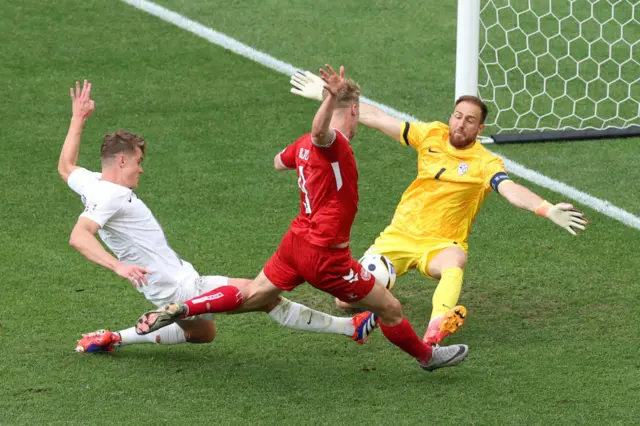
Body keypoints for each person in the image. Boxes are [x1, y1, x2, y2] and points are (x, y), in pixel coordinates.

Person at [134, 65, 469, 372]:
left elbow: (280, 161)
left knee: (254, 296)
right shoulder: (332, 142)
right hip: (327, 256)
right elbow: (320, 133)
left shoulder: (303, 146)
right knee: (390, 308)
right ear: (352, 110)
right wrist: (329, 103)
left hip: (296, 242)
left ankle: (183, 309)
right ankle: (427, 357)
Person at [58, 80, 378, 353]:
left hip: (171, 280)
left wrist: (78, 118)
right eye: (139, 161)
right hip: (175, 287)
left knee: (202, 334)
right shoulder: (108, 196)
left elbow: (66, 167)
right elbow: (79, 235)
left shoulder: (93, 182)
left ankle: (114, 338)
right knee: (263, 294)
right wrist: (118, 266)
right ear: (122, 161)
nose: (142, 168)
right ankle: (350, 327)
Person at [289, 71, 589, 346]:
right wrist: (328, 97)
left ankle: (437, 325)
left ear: (480, 127)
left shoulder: (485, 163)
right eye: (457, 116)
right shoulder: (431, 135)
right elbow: (379, 118)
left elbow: (511, 191)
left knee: (454, 261)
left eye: (469, 120)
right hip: (399, 237)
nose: (460, 123)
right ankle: (373, 304)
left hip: (441, 244)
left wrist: (546, 208)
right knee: (345, 301)